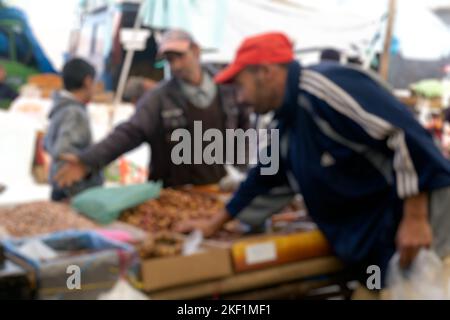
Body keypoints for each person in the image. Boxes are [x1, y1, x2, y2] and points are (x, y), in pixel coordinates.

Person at [176, 32, 450, 288]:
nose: (240, 97)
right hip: (375, 241)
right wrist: (214, 223)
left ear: (266, 72)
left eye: (240, 85)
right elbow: (264, 178)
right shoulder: (286, 123)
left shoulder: (325, 88)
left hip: (421, 228)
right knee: (378, 288)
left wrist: (416, 218)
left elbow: (402, 135)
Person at [54, 29, 251, 188]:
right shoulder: (159, 98)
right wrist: (88, 161)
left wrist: (239, 172)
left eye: (180, 56)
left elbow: (243, 131)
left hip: (219, 190)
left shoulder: (227, 91)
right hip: (176, 194)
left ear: (196, 51)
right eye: (169, 59)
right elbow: (128, 133)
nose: (175, 65)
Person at [44, 58, 103, 201]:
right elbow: (65, 152)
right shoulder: (74, 112)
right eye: (94, 83)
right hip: (73, 192)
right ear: (88, 81)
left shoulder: (60, 107)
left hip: (60, 187)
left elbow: (46, 144)